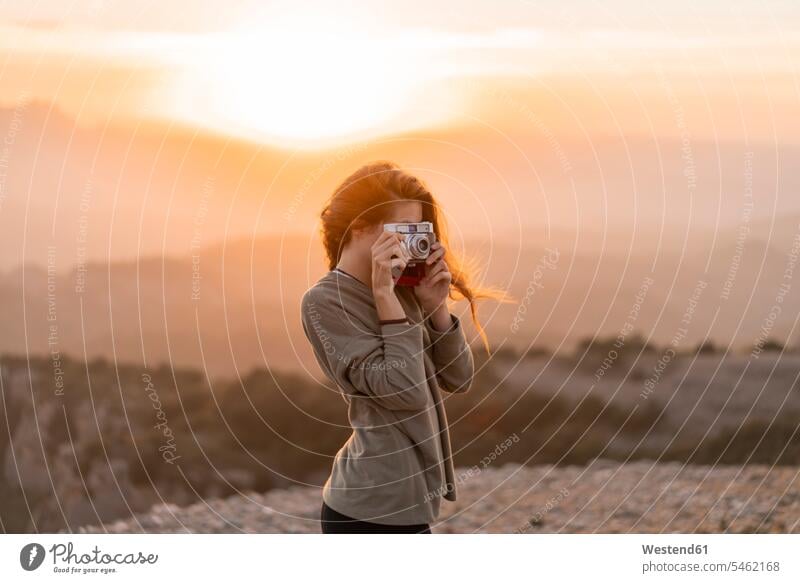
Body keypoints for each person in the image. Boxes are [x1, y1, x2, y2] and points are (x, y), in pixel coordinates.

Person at [300, 161, 498, 533]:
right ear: (359, 226)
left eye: (420, 228)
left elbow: (460, 378)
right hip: (368, 508)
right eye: (402, 229)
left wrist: (435, 308)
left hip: (410, 503)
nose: (414, 240)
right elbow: (403, 392)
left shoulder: (405, 288)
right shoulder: (324, 302)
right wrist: (385, 300)